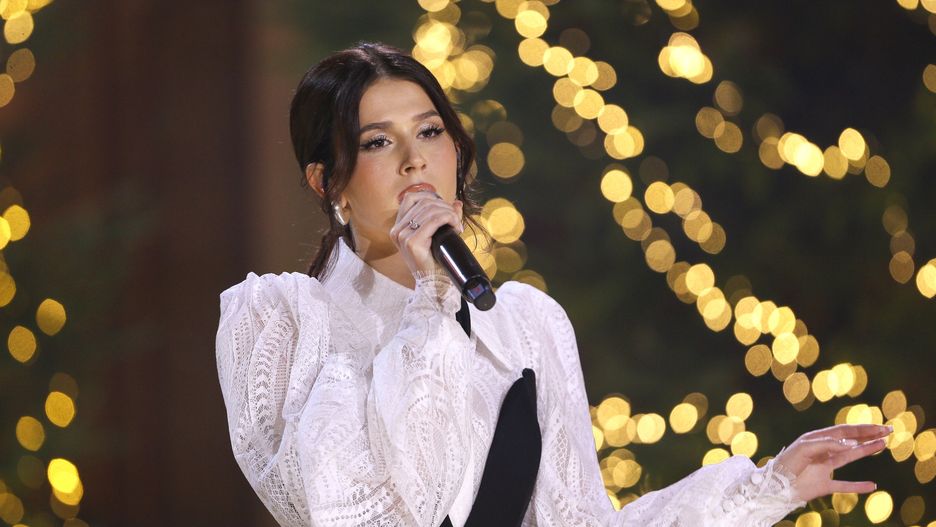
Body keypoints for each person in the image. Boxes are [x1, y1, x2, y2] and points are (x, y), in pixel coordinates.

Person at [215, 41, 890, 527]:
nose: (416, 160)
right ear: (326, 181)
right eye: (377, 142)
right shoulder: (283, 321)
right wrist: (430, 300)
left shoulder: (524, 323)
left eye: (430, 131)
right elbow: (375, 511)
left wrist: (768, 488)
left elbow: (581, 521)